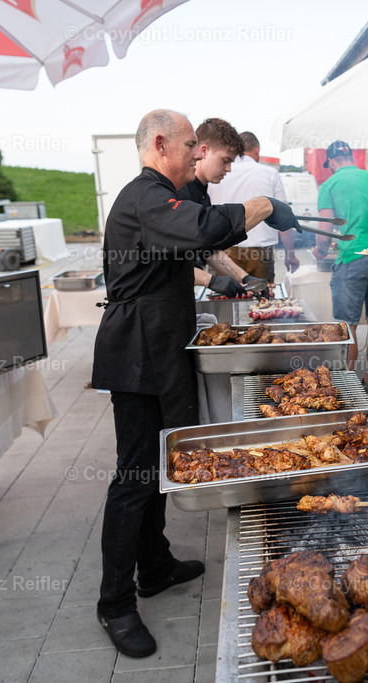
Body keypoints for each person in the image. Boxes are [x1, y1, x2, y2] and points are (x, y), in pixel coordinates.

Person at [91, 109, 299, 658]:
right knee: (134, 476)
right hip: (137, 351)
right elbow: (204, 229)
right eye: (189, 146)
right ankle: (114, 603)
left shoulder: (164, 194)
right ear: (162, 144)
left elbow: (192, 252)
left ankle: (154, 566)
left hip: (161, 343)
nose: (193, 156)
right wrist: (264, 206)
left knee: (163, 461)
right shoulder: (144, 195)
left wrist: (239, 277)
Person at [311, 140, 368, 399]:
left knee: (348, 326)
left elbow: (324, 229)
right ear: (351, 158)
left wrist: (320, 251)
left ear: (331, 163)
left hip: (354, 257)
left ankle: (347, 382)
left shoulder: (329, 185)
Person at [176, 118, 269, 298]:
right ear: (204, 151)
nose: (228, 169)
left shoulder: (203, 195)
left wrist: (245, 278)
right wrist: (211, 280)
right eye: (225, 160)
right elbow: (168, 262)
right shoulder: (181, 192)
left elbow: (209, 250)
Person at [210, 130, 300, 282]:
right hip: (260, 252)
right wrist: (290, 254)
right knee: (262, 301)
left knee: (227, 300)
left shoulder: (218, 173)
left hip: (224, 254)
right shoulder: (270, 174)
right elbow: (284, 220)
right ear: (256, 150)